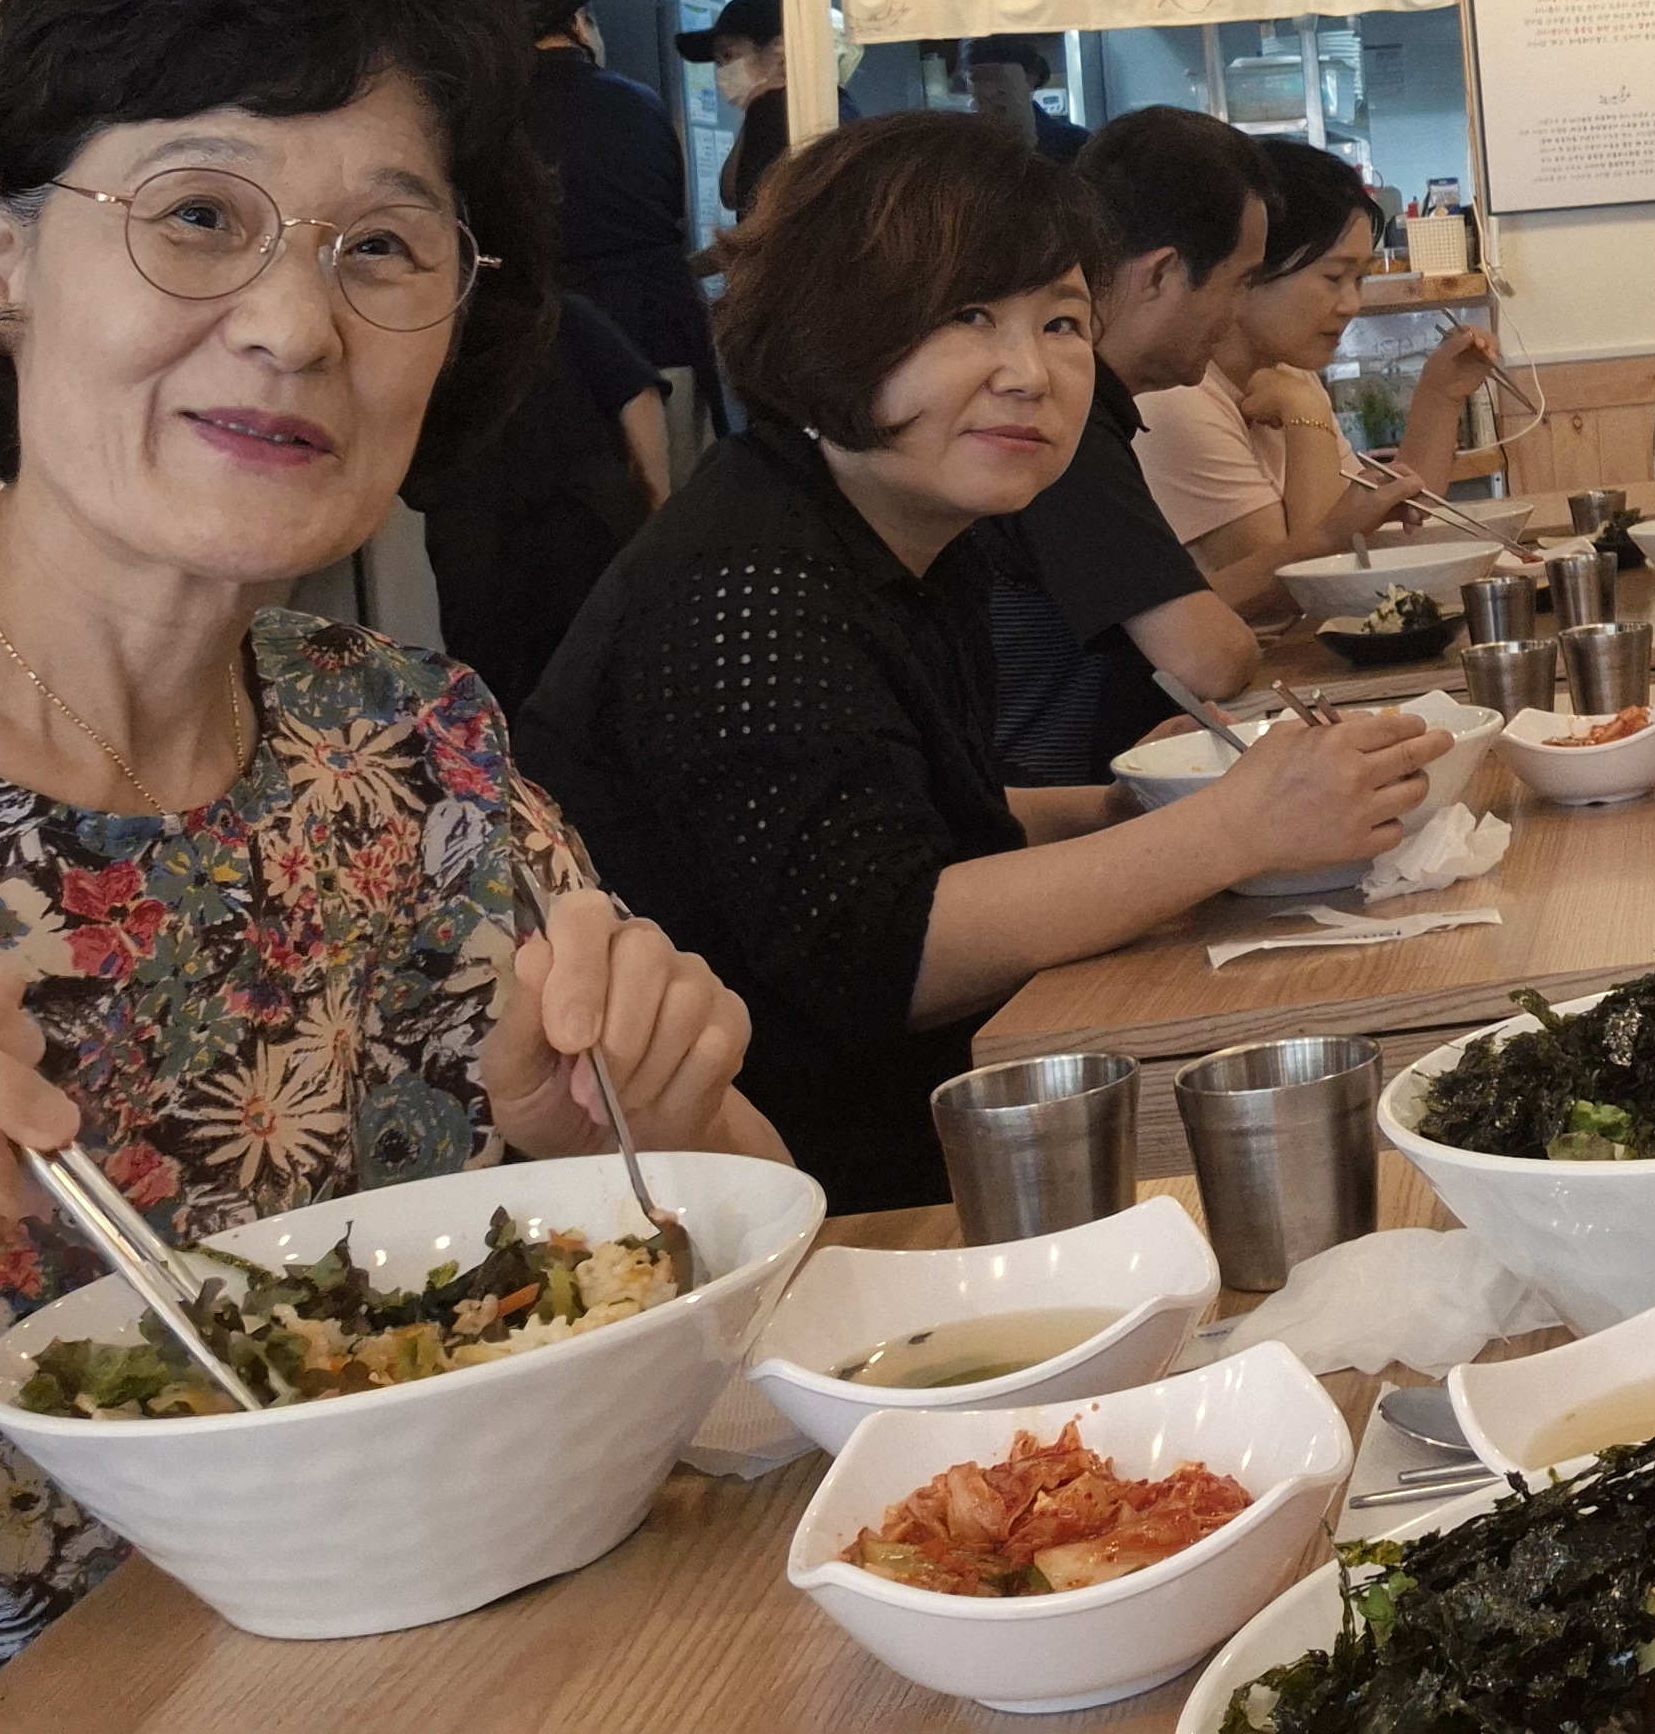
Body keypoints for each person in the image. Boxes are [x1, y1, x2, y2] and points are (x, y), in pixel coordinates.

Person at [0, 0, 773, 1684]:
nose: (294, 325)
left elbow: (739, 1258)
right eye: (198, 215)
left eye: (384, 249)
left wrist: (640, 1128)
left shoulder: (414, 750)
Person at [517, 113, 1447, 1209]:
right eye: (965, 316)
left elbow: (913, 813)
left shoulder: (905, 528)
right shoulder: (745, 582)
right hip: (797, 1205)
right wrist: (1232, 827)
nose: (1031, 373)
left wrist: (1122, 808)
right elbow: (884, 950)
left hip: (927, 1122)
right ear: (827, 322)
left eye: (1061, 321)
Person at [976, 106, 1272, 784]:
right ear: (1162, 273)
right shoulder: (1056, 425)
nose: (1238, 316)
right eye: (1241, 282)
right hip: (1067, 814)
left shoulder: (1088, 414)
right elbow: (1208, 659)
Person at [1133, 140, 1504, 616]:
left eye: (1360, 279)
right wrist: (1305, 415)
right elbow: (1303, 587)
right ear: (1250, 271)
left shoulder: (1287, 372)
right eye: (1334, 278)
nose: (1351, 304)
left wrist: (1441, 393)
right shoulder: (1177, 401)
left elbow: (1381, 517)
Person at [405, 283, 667, 714]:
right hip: (544, 528)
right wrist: (655, 500)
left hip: (511, 535)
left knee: (509, 694)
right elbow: (637, 392)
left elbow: (637, 391)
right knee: (599, 684)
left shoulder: (430, 332)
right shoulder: (558, 312)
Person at [517, 0, 718, 441]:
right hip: (657, 326)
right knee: (674, 475)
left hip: (547, 341)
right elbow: (671, 206)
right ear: (579, 23)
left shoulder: (496, 114)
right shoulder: (640, 102)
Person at [678, 0, 791, 227]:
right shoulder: (762, 110)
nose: (722, 73)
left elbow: (747, 207)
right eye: (718, 62)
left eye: (728, 55)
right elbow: (732, 195)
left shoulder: (775, 113)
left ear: (779, 50)